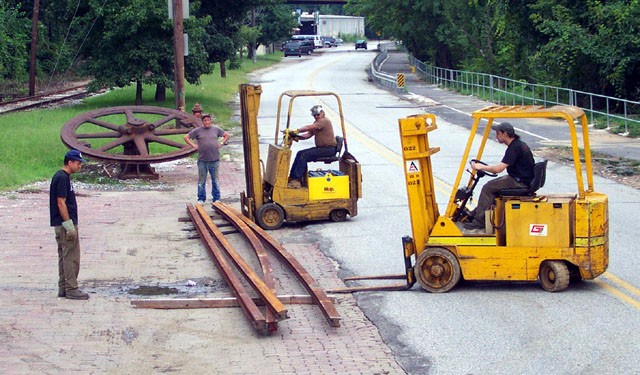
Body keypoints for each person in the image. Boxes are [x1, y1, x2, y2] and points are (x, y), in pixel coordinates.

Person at [464, 122, 535, 232]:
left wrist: (481, 167)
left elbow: (498, 169)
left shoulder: (515, 148)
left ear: (505, 134)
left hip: (519, 181)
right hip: (520, 178)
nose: (496, 136)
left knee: (488, 188)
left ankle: (479, 222)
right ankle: (476, 213)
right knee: (494, 187)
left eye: (498, 133)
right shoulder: (517, 144)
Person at [50, 149, 89, 300]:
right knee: (71, 257)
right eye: (78, 163)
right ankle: (72, 288)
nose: (79, 166)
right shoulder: (61, 178)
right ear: (70, 162)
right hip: (65, 224)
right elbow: (61, 202)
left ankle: (63, 287)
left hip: (63, 223)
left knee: (64, 256)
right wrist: (69, 225)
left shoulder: (64, 177)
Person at [183, 113, 230, 204]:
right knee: (201, 181)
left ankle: (216, 198)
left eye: (208, 120)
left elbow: (227, 135)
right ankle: (201, 199)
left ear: (210, 121)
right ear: (202, 122)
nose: (207, 122)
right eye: (205, 120)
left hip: (214, 159)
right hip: (202, 160)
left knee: (215, 180)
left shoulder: (216, 130)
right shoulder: (198, 131)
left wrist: (221, 143)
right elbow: (186, 137)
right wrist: (194, 145)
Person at [288, 105, 337, 188]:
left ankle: (296, 180)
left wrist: (297, 131)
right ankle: (292, 177)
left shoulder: (324, 121)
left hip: (328, 149)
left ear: (322, 113)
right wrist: (296, 137)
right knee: (300, 153)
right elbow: (308, 135)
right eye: (314, 115)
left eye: (318, 114)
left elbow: (309, 127)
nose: (316, 116)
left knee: (304, 155)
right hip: (322, 149)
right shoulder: (317, 123)